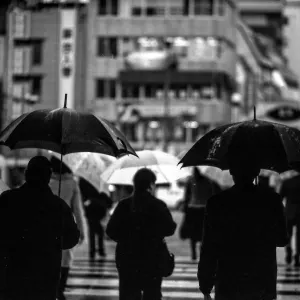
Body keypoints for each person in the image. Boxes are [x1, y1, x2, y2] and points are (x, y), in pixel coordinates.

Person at [197, 154, 288, 300]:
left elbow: (209, 246)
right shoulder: (272, 200)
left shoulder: (217, 203)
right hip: (262, 281)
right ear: (257, 172)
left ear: (231, 172)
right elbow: (282, 239)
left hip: (229, 281)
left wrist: (205, 284)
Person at [0, 156, 80, 300]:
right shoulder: (58, 206)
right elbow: (71, 240)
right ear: (49, 177)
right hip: (45, 276)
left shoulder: (7, 199)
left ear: (26, 174)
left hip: (12, 274)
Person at [106, 168, 177, 300]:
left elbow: (110, 230)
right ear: (151, 185)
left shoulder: (124, 205)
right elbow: (170, 228)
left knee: (129, 294)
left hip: (127, 258)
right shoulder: (158, 205)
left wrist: (126, 239)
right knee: (152, 294)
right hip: (153, 258)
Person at [49, 156, 87, 300]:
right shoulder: (72, 183)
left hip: (49, 224)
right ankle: (61, 288)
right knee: (65, 257)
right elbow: (78, 210)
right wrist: (82, 231)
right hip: (66, 223)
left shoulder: (48, 182)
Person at [180, 167, 221, 260]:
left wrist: (185, 208)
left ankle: (194, 255)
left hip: (193, 209)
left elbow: (186, 197)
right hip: (204, 210)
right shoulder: (209, 182)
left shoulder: (190, 181)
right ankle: (202, 254)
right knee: (203, 233)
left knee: (193, 234)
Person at [79, 177, 113, 259]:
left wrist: (85, 202)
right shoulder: (102, 178)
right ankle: (98, 250)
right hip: (99, 207)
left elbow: (82, 192)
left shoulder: (84, 179)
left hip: (91, 207)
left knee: (93, 229)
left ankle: (93, 250)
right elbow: (105, 194)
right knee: (98, 229)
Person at [279, 166, 300, 266]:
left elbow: (281, 196)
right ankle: (297, 255)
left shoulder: (288, 181)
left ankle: (289, 252)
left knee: (289, 234)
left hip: (289, 211)